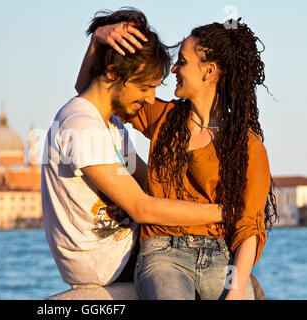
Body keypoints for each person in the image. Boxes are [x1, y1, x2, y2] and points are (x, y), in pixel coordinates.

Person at [76, 16, 278, 299]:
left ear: (209, 71)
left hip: (221, 258)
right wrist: (98, 39)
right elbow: (91, 93)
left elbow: (249, 229)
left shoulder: (247, 144)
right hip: (162, 255)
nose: (173, 69)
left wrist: (235, 293)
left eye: (182, 61)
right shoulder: (163, 117)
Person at [41, 9, 226, 289]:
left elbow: (148, 180)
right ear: (113, 73)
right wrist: (225, 211)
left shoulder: (108, 122)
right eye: (145, 87)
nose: (152, 98)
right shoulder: (80, 126)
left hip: (124, 248)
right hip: (104, 262)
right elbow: (141, 208)